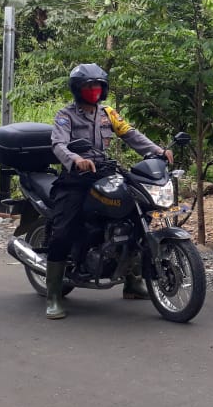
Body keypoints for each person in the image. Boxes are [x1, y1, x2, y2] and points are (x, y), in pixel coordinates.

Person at [46, 63, 173, 320]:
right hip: (75, 179)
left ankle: (133, 281)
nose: (94, 90)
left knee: (135, 216)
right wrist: (75, 159)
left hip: (104, 174)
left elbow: (131, 134)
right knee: (63, 230)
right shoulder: (66, 115)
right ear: (77, 89)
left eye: (98, 86)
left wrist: (157, 151)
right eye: (89, 86)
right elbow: (58, 144)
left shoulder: (108, 113)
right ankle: (54, 295)